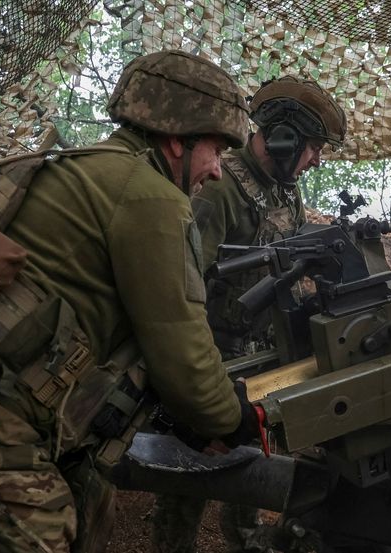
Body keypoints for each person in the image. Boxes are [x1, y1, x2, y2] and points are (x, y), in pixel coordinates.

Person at [0, 50, 261, 553]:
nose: (218, 171)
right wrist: (231, 418)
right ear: (179, 138)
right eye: (217, 151)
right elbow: (183, 355)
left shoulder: (75, 170)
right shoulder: (152, 197)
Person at [151, 76, 346, 553]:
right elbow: (183, 287)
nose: (317, 159)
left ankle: (244, 538)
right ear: (285, 138)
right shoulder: (219, 191)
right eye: (315, 147)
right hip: (213, 354)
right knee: (193, 469)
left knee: (252, 452)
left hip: (262, 352)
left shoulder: (285, 190)